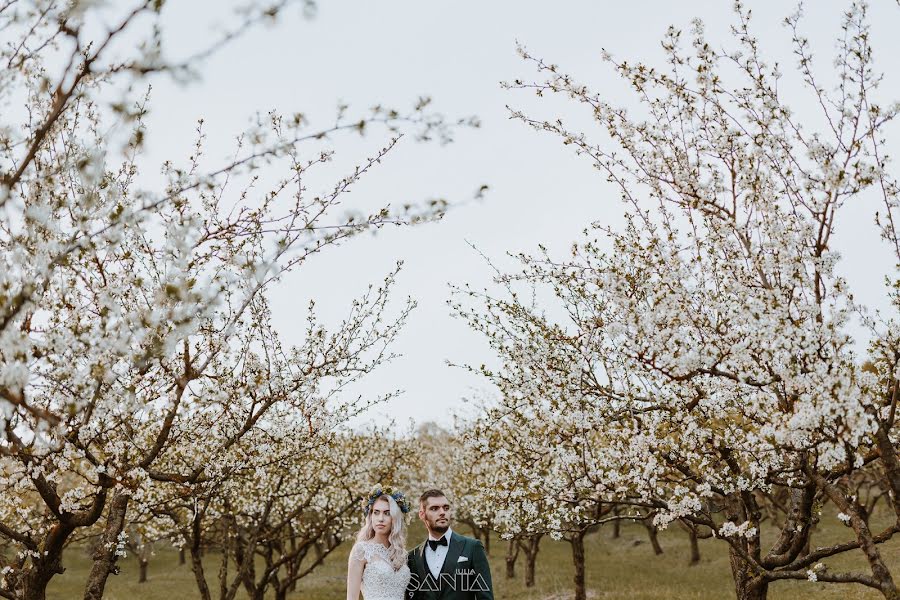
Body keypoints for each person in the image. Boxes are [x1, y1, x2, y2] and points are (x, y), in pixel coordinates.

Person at [406, 489, 494, 600]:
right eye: (434, 508)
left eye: (446, 508)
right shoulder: (412, 557)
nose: (442, 512)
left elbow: (485, 597)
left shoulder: (472, 547)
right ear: (422, 514)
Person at [347, 485, 412, 600]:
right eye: (376, 512)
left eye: (387, 513)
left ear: (395, 518)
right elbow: (352, 598)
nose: (380, 518)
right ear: (370, 515)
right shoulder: (361, 550)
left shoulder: (402, 554)